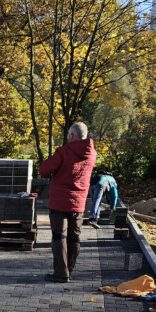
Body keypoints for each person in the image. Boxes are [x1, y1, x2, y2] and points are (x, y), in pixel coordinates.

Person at [38, 121, 97, 282]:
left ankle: (60, 273)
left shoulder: (63, 152)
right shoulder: (92, 154)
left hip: (60, 202)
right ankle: (69, 270)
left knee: (59, 237)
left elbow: (44, 170)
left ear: (71, 135)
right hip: (79, 203)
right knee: (74, 237)